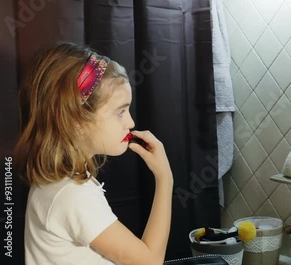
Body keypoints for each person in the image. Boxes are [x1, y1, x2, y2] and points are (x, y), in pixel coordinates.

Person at [14, 42, 174, 265]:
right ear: (77, 120)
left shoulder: (57, 180)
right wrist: (165, 178)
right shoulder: (73, 195)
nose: (131, 122)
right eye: (120, 112)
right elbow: (151, 262)